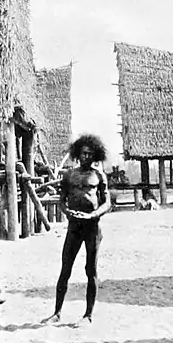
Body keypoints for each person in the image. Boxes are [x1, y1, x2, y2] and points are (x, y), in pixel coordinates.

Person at [42, 134, 111, 326]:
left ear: (95, 155)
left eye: (90, 154)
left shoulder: (99, 176)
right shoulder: (69, 175)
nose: (86, 157)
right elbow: (62, 200)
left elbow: (107, 203)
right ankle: (56, 313)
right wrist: (68, 213)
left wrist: (93, 215)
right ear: (77, 154)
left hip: (92, 227)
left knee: (91, 270)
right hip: (74, 226)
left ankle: (88, 315)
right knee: (65, 269)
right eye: (83, 153)